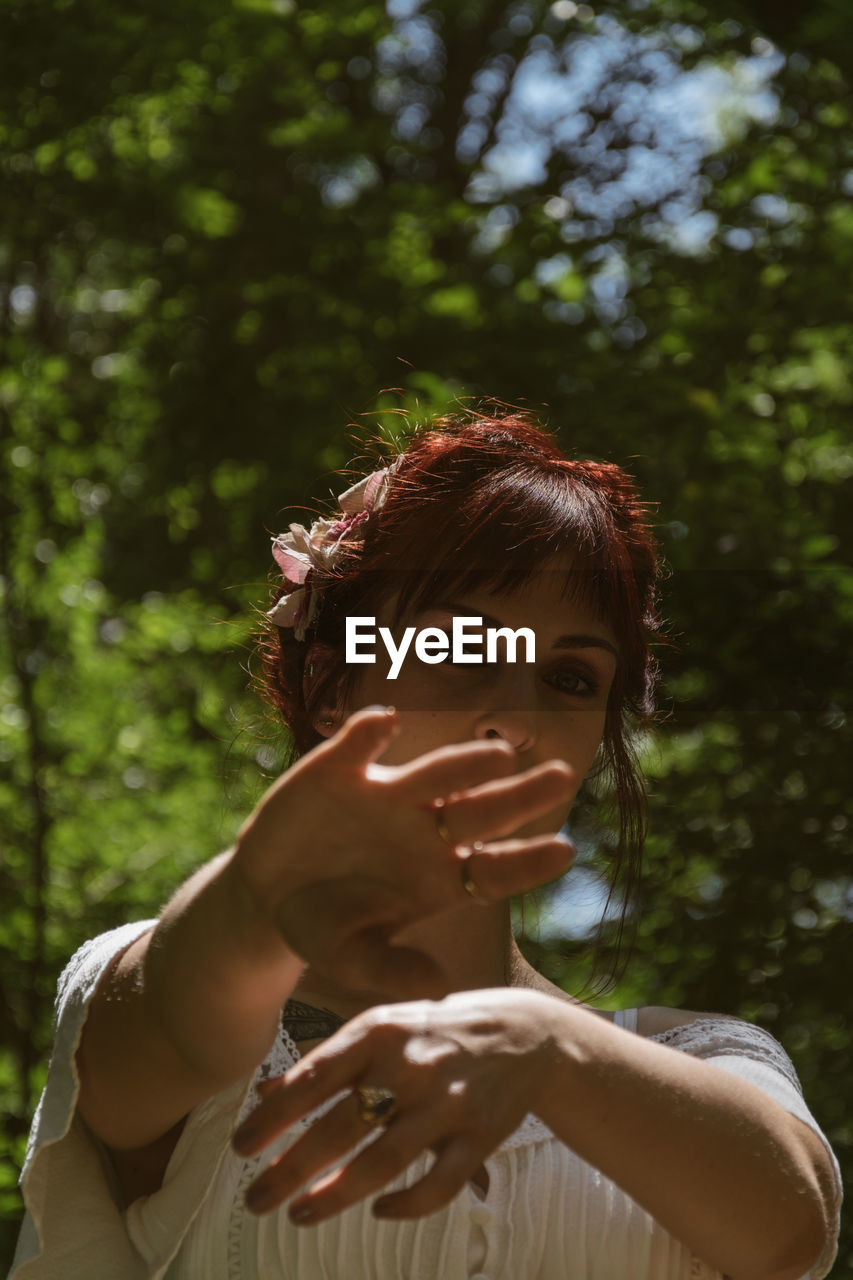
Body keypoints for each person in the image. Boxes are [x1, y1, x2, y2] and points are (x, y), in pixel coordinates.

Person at [11, 412, 841, 1280]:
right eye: (461, 644)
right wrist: (258, 893)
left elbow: (792, 1228)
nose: (513, 722)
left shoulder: (698, 1056)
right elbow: (168, 1030)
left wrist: (551, 1049)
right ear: (332, 683)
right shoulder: (178, 1000)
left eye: (568, 678)